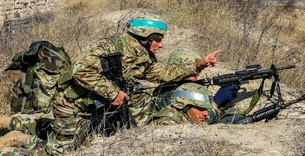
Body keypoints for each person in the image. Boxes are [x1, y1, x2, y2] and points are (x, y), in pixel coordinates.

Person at [46, 12, 221, 155]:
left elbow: (163, 73)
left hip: (97, 106)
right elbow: (80, 71)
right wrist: (113, 93)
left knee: (90, 143)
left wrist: (199, 65)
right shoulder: (111, 47)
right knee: (62, 152)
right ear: (145, 37)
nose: (161, 45)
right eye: (158, 39)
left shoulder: (142, 55)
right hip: (72, 107)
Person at [151, 48, 240, 125]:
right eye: (189, 71)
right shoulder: (165, 93)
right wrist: (217, 101)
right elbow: (195, 119)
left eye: (197, 71)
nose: (195, 76)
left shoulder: (190, 88)